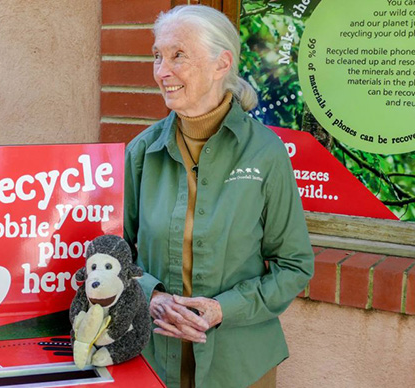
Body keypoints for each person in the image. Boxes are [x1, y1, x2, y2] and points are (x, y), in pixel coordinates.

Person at [123, 5, 314, 388]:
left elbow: (294, 266)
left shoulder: (265, 152)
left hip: (239, 365)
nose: (162, 71)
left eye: (179, 55)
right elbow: (118, 254)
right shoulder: (142, 151)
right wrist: (152, 297)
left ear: (221, 63)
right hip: (152, 360)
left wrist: (221, 309)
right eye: (157, 56)